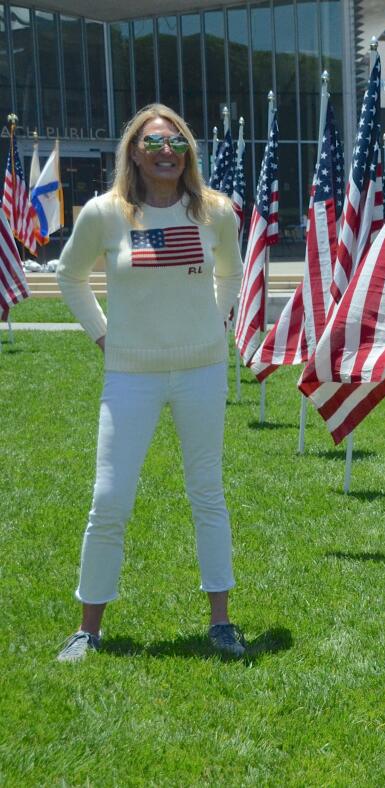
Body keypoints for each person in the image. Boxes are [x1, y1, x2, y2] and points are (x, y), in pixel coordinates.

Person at [55, 104, 245, 662]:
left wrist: (218, 321)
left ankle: (221, 624)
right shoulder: (104, 214)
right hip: (129, 375)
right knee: (109, 498)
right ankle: (89, 628)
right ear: (133, 153)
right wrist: (102, 335)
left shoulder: (216, 213)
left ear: (189, 152)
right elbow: (69, 275)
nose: (167, 153)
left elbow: (231, 272)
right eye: (155, 144)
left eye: (178, 143)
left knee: (207, 493)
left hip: (201, 371)